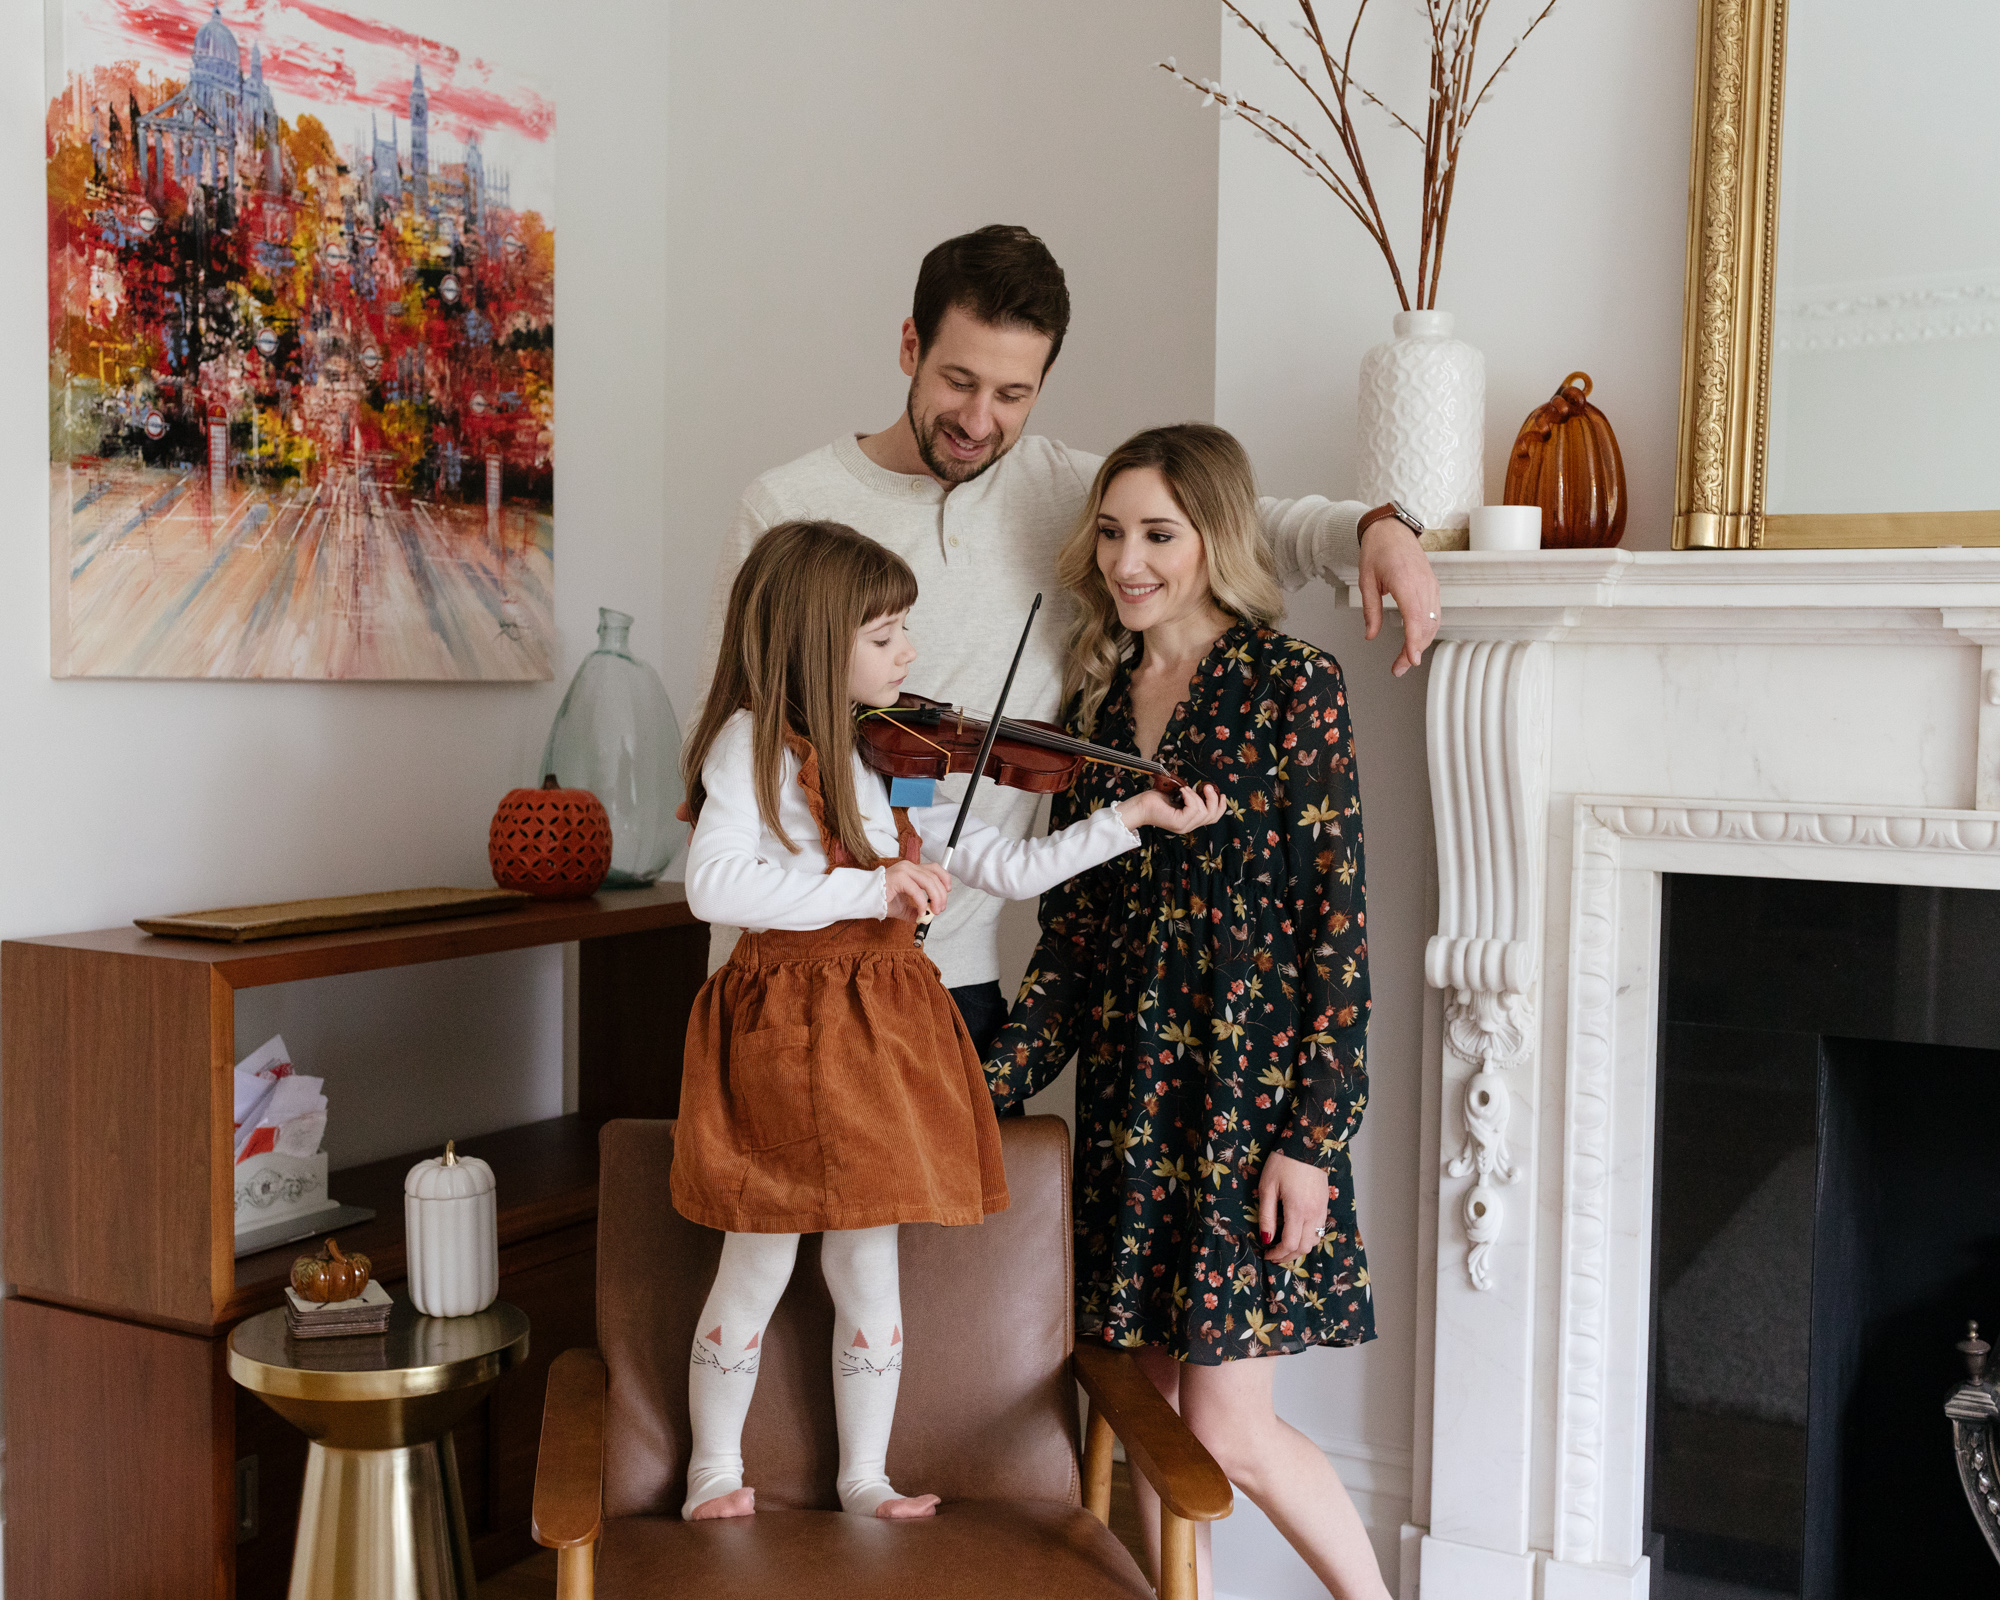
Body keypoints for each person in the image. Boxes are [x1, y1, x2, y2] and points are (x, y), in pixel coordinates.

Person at [701, 224, 1440, 1058]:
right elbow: (731, 746)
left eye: (1013, 395)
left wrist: (1379, 527)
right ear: (910, 346)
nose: (979, 421)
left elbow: (1238, 521)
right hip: (786, 975)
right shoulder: (788, 505)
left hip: (952, 978)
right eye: (958, 380)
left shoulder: (1068, 492)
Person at [671, 518, 1224, 1524]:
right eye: (884, 635)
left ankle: (863, 1478)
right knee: (756, 1258)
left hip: (874, 1037)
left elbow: (1002, 868)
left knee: (868, 1266)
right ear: (813, 634)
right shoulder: (751, 742)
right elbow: (713, 886)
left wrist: (1127, 821)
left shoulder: (895, 757)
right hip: (781, 1029)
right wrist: (867, 886)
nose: (907, 655)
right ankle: (713, 1470)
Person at [986, 424, 1391, 1600]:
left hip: (1241, 1111)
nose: (1127, 560)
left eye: (1156, 533)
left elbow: (1337, 931)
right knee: (1161, 1432)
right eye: (1111, 532)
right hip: (1128, 1103)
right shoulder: (1093, 701)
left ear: (1213, 537)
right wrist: (976, 1091)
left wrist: (1310, 1143)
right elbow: (1072, 940)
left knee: (1228, 1429)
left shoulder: (1289, 684)